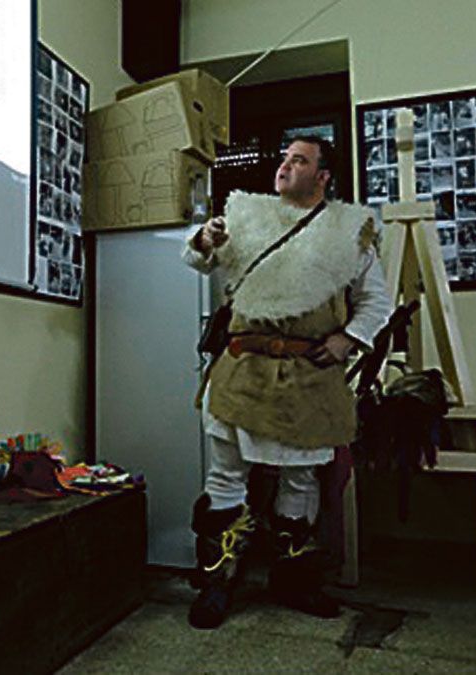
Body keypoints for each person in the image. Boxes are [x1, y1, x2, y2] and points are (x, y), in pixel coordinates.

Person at [181, 136, 393, 629]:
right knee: (226, 477)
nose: (285, 166)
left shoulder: (350, 230)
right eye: (284, 158)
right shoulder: (247, 216)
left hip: (310, 374)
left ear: (323, 177)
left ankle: (293, 581)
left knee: (301, 480)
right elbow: (195, 260)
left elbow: (375, 301)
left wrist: (349, 339)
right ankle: (218, 581)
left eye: (299, 160)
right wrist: (205, 241)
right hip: (243, 369)